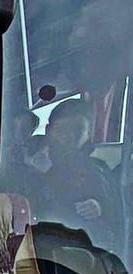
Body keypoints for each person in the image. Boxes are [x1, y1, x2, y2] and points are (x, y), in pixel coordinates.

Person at [29, 99, 121, 249]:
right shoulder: (25, 165)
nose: (69, 138)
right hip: (36, 247)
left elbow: (119, 213)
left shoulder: (97, 170)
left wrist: (100, 206)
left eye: (77, 131)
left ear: (88, 135)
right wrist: (37, 173)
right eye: (62, 130)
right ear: (47, 131)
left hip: (83, 251)